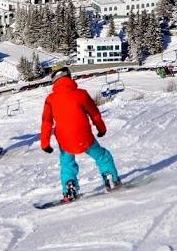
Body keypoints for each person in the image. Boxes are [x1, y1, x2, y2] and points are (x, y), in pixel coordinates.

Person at [40, 67, 121, 202]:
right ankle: (110, 178)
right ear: (69, 77)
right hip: (85, 137)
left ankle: (69, 188)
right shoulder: (81, 94)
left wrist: (45, 143)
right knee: (102, 157)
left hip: (64, 140)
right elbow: (94, 114)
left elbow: (46, 122)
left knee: (67, 164)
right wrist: (101, 129)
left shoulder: (51, 99)